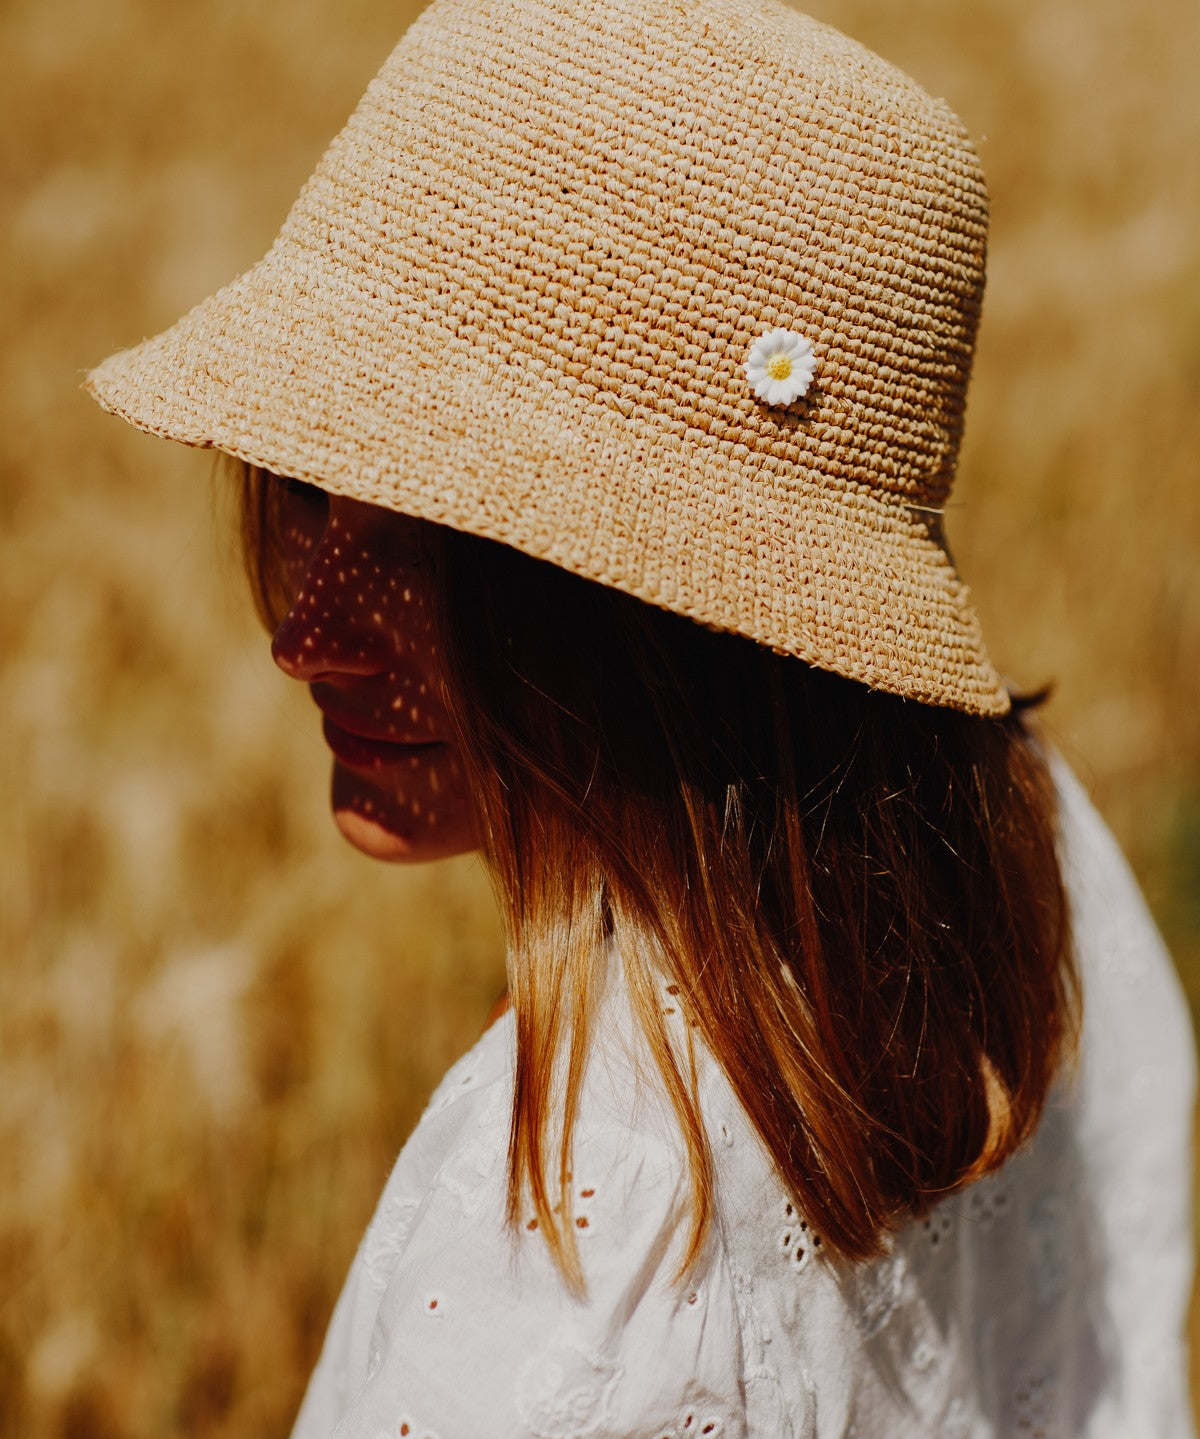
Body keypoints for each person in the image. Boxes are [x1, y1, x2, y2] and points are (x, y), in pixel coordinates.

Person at [85, 0, 1196, 1433]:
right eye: (305, 491)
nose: (308, 642)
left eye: (444, 554)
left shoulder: (565, 1278)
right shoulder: (1023, 835)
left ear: (677, 625)